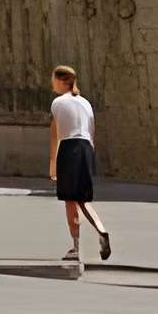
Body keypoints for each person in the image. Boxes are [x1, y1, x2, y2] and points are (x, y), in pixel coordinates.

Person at [49, 65, 111, 271]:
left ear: (61, 80)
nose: (52, 84)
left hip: (69, 148)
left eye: (54, 80)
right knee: (82, 199)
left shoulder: (58, 103)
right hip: (86, 148)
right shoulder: (85, 103)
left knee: (70, 200)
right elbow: (92, 132)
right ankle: (101, 230)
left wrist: (53, 164)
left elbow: (55, 135)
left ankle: (76, 246)